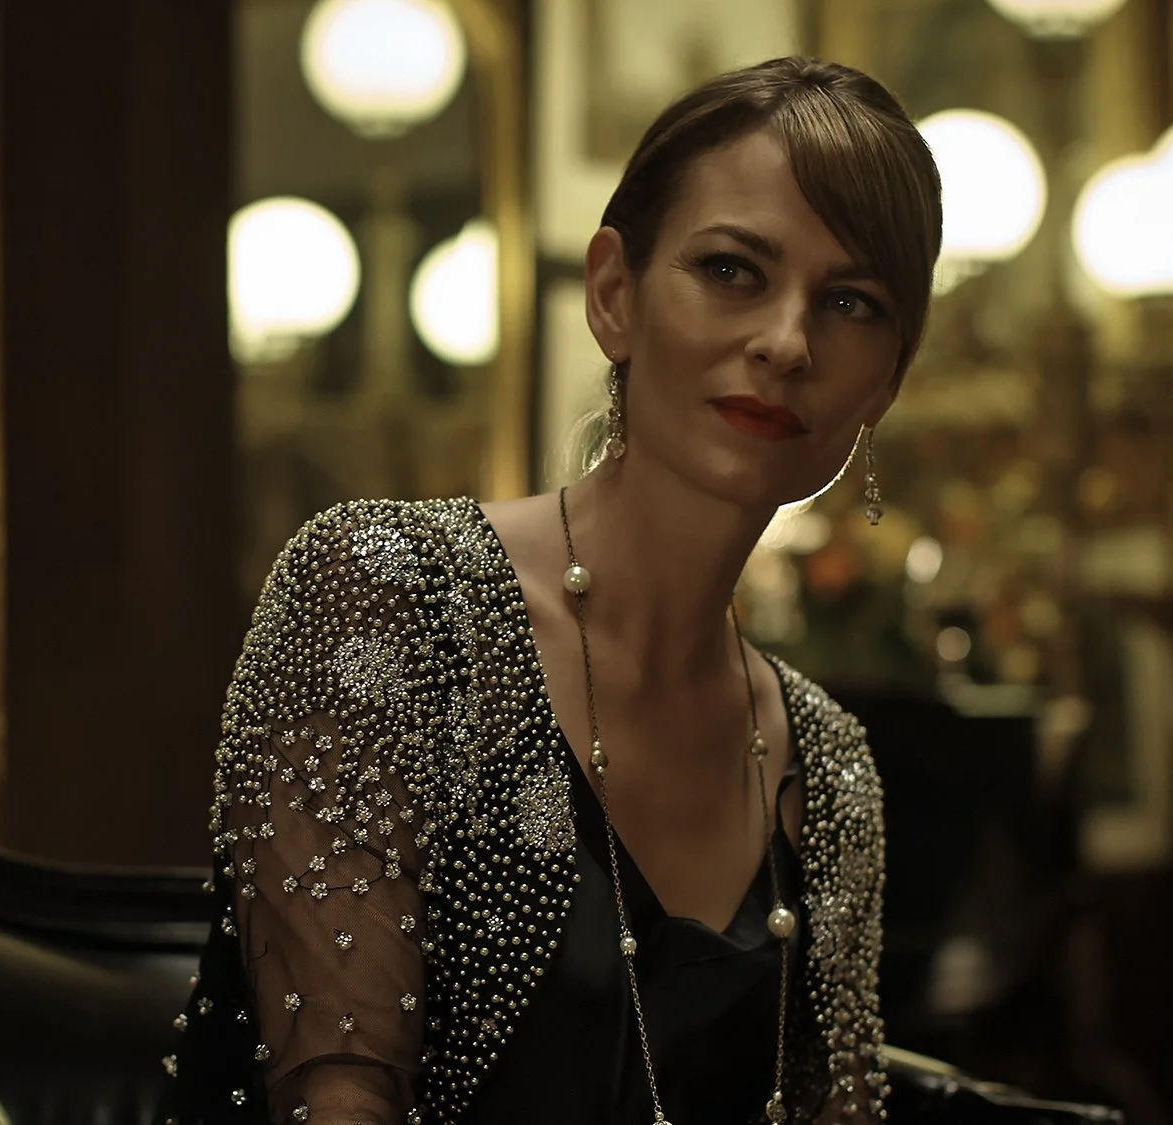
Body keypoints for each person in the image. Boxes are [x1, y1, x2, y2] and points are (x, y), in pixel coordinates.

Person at [161, 55, 942, 1125]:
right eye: (730, 270)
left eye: (849, 301)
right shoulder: (386, 594)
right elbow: (337, 1105)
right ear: (613, 295)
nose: (786, 341)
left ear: (887, 378)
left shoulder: (830, 767)